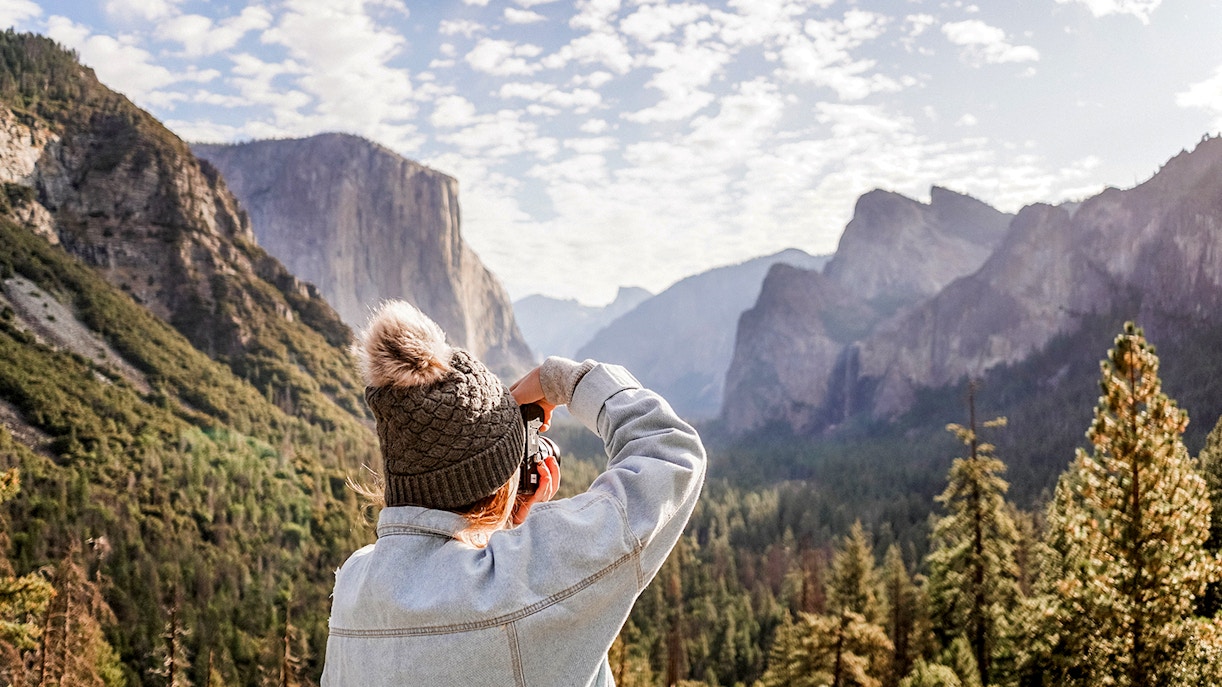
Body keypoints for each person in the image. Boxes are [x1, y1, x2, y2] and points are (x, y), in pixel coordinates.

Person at [320, 300, 706, 686]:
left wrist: (503, 525)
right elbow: (671, 451)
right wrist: (568, 381)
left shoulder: (354, 586)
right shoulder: (522, 582)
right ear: (501, 484)